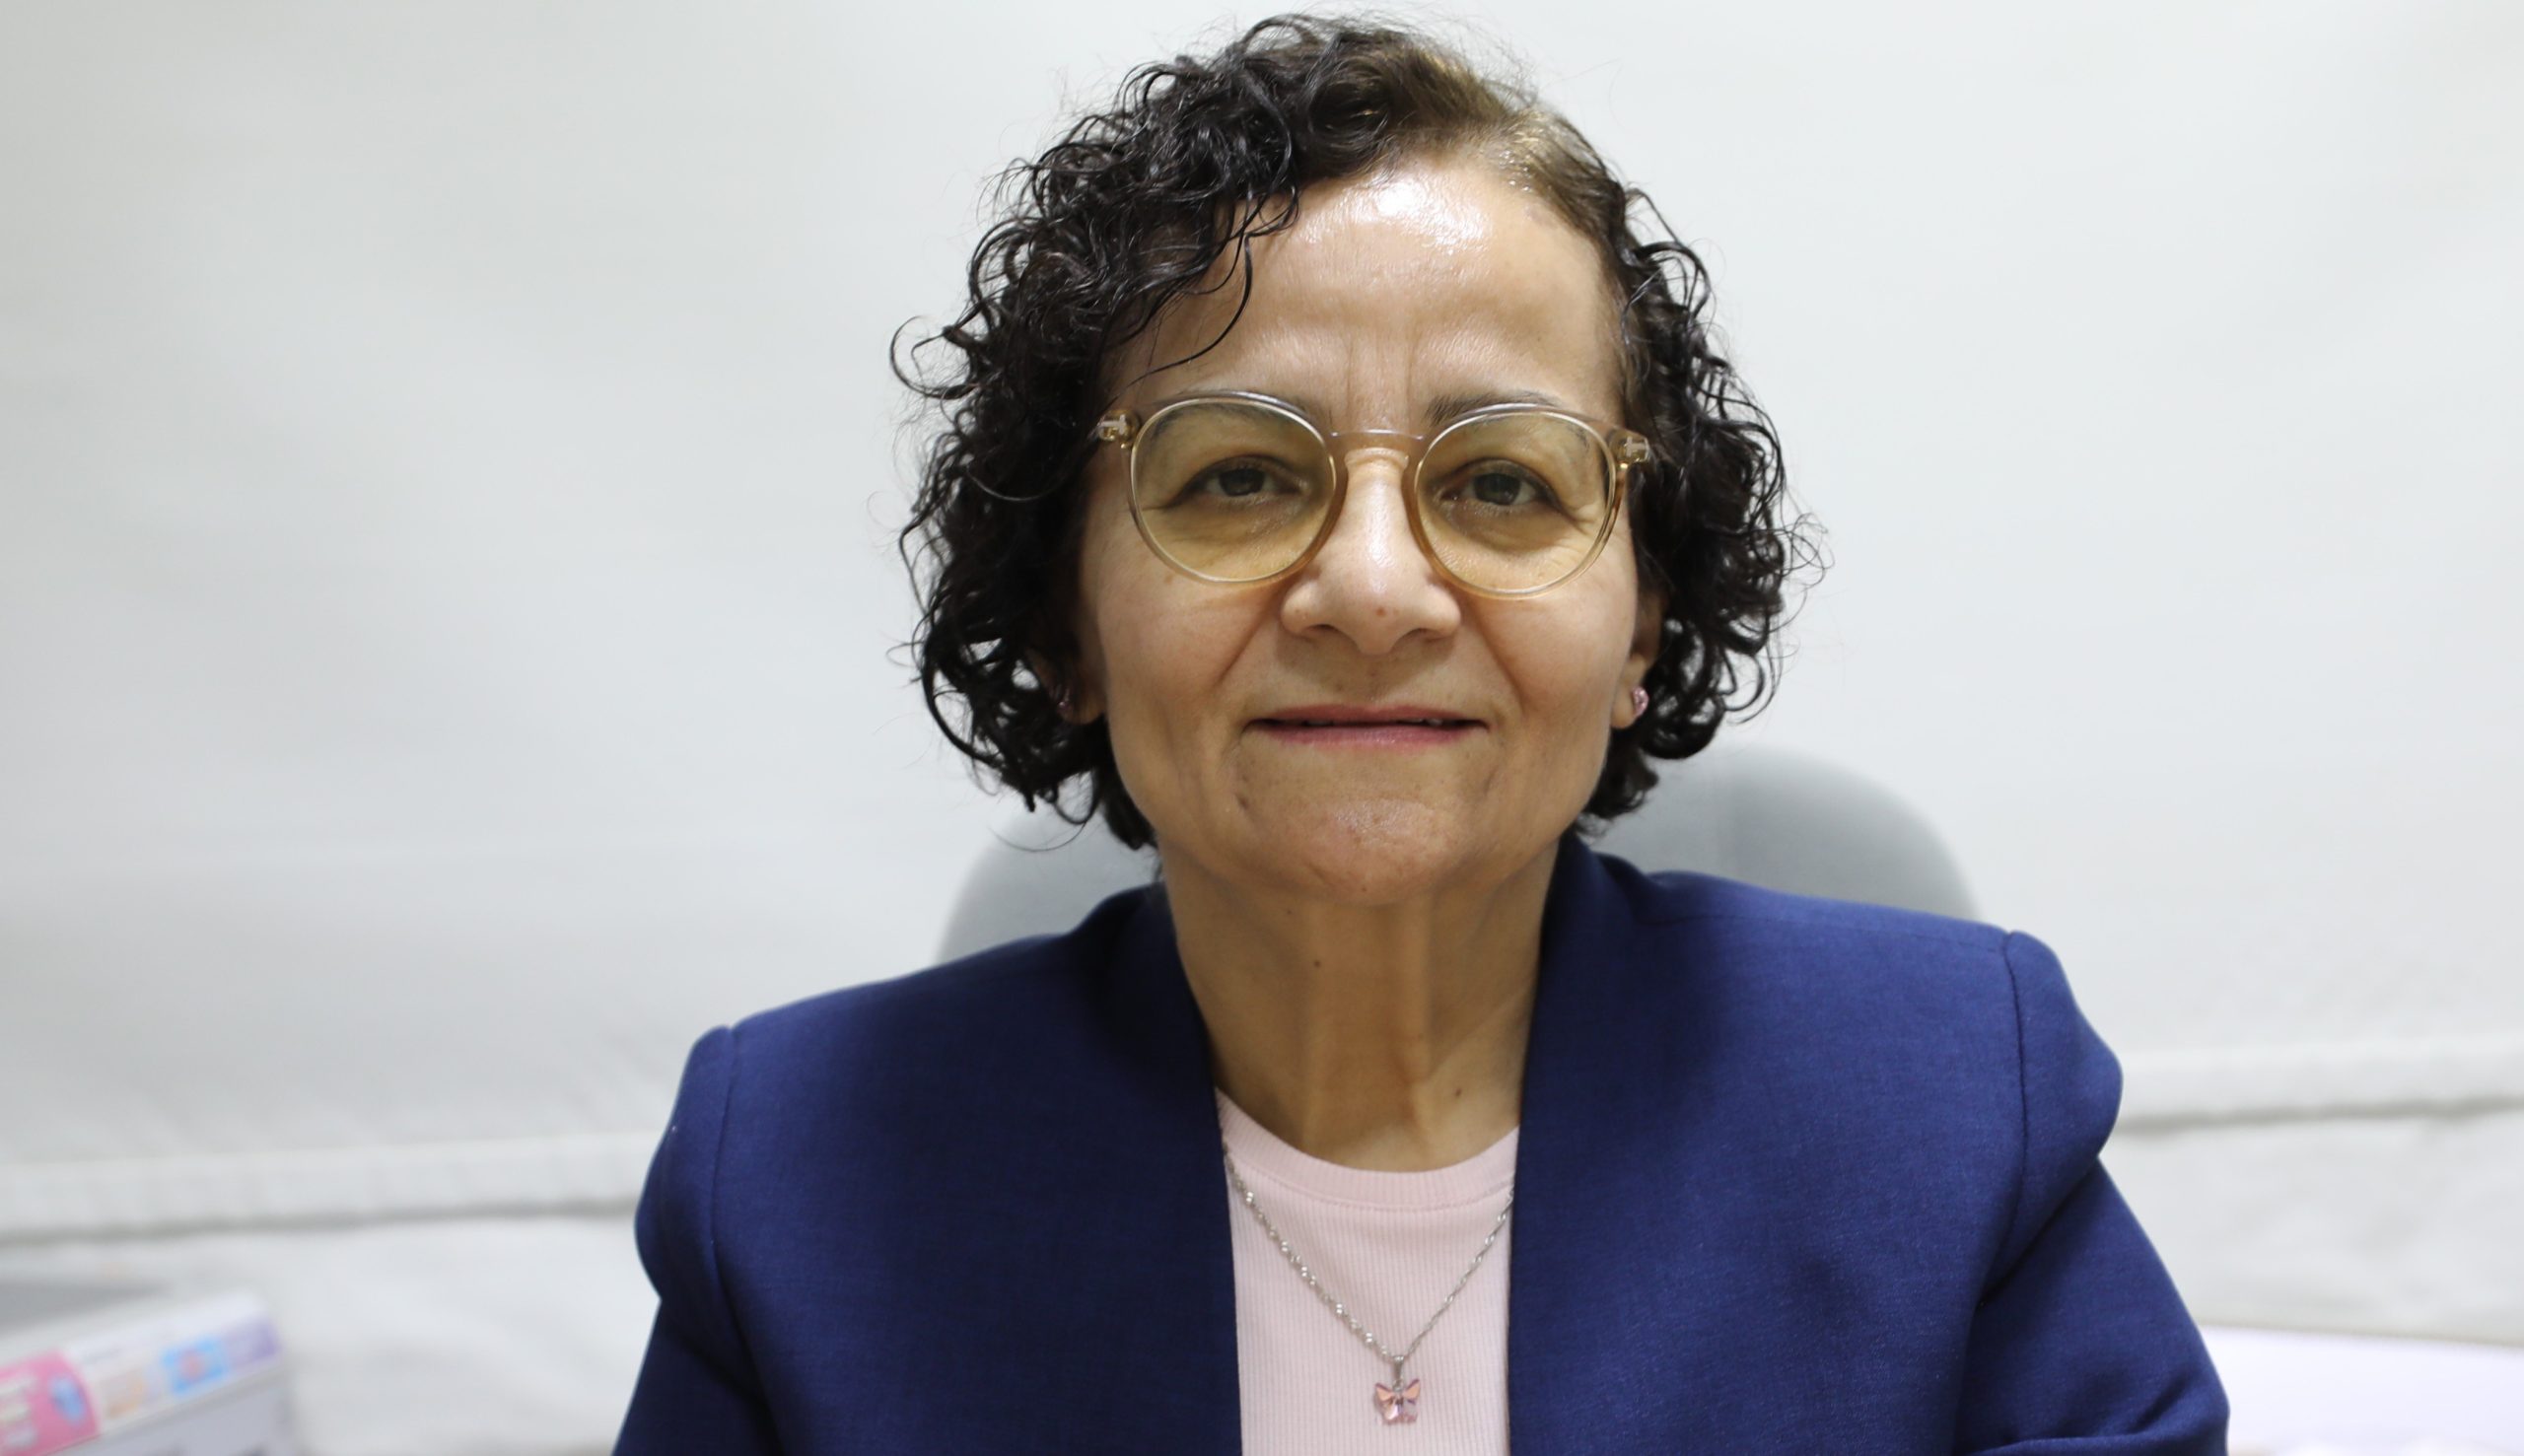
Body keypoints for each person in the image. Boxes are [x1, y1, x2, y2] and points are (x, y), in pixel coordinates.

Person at [612, 14, 2229, 1454]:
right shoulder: (795, 1182)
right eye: (1239, 476)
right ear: (1065, 622)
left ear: (1641, 623)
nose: (1375, 590)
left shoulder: (1957, 1104)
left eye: (1501, 481)